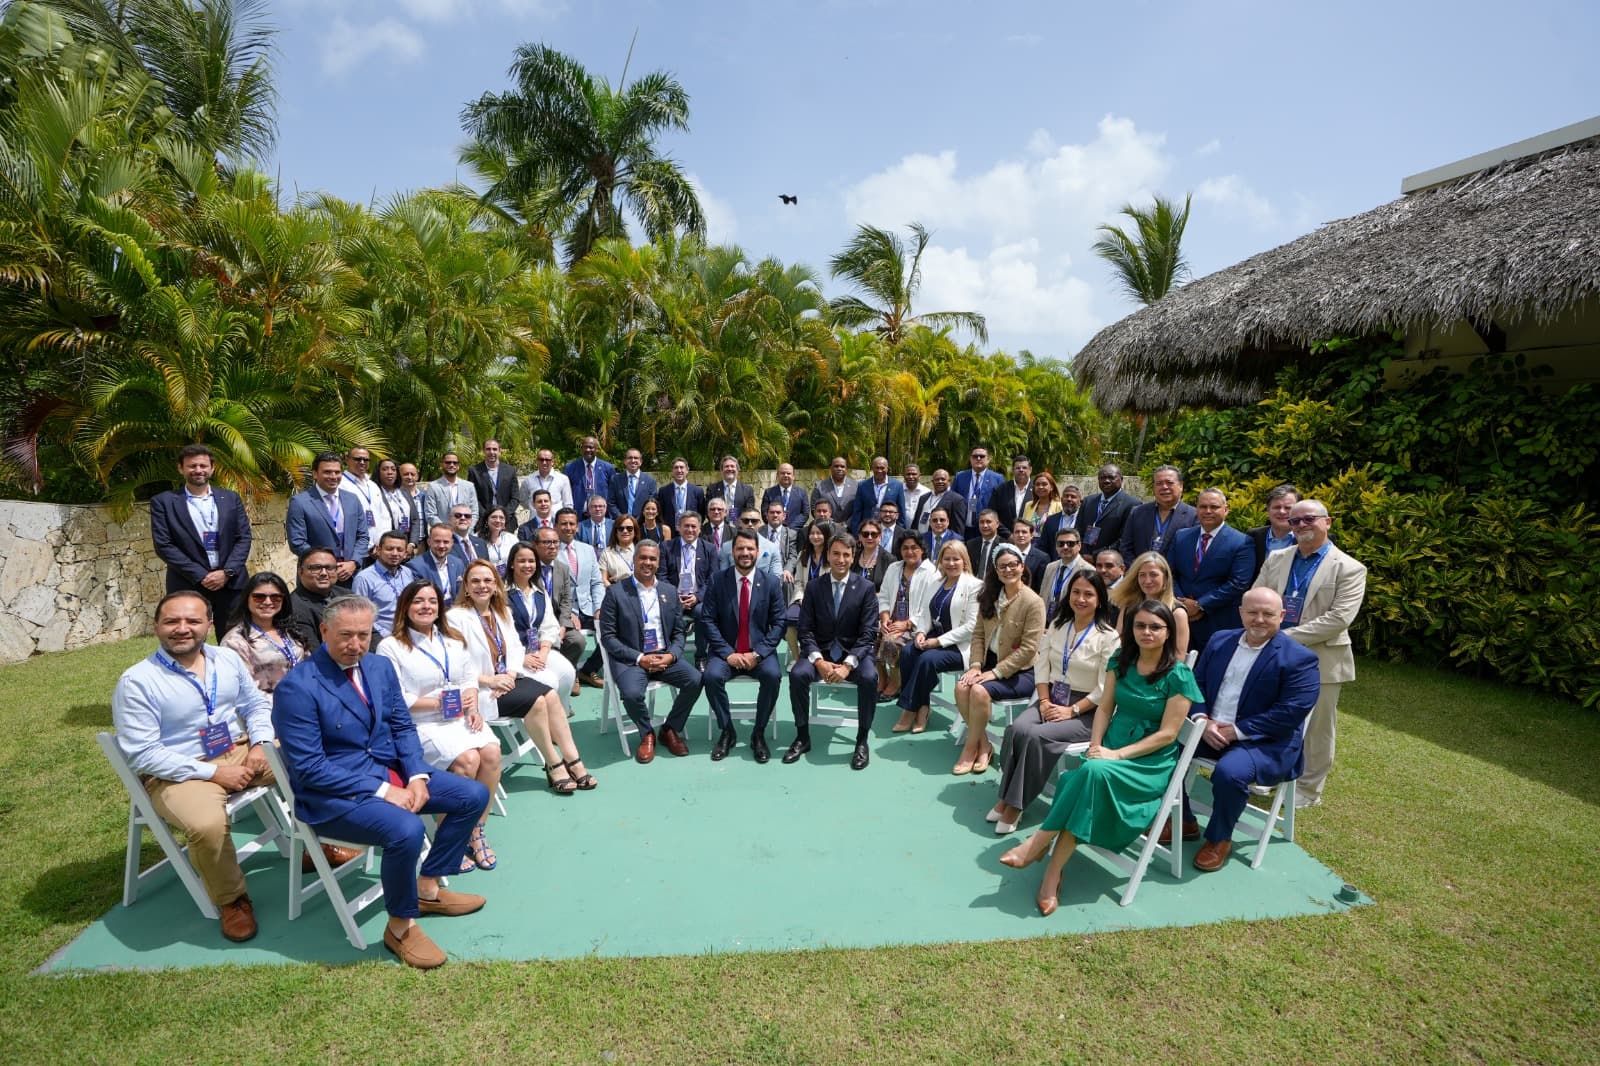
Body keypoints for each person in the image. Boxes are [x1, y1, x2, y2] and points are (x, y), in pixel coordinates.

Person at [272, 595, 488, 969]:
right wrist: (387, 791)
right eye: (345, 636)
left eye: (363, 635)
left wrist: (418, 775)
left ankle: (428, 888)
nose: (355, 645)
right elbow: (309, 769)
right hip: (334, 795)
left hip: (391, 772)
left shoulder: (378, 666)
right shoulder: (298, 687)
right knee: (406, 829)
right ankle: (400, 927)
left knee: (472, 794)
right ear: (324, 631)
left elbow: (401, 725)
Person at [999, 600, 1203, 916]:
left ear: (1168, 632)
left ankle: (1040, 847)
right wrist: (1096, 744)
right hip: (1107, 750)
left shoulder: (1179, 675)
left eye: (1155, 627)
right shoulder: (1122, 659)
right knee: (1089, 777)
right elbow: (1105, 707)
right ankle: (1050, 873)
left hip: (1147, 763)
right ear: (1131, 629)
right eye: (1140, 625)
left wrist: (1115, 754)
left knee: (1086, 776)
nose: (1146, 632)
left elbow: (1167, 735)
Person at [113, 591, 281, 941]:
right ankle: (233, 900)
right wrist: (216, 773)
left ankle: (313, 844)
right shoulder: (138, 681)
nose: (182, 629)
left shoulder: (226, 659)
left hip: (238, 751)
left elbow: (254, 705)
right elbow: (143, 754)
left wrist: (262, 743)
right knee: (206, 825)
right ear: (156, 626)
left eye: (192, 621)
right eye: (172, 621)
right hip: (178, 772)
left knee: (306, 760)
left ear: (209, 624)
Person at [1177, 588, 1321, 870]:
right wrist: (1202, 719)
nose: (1259, 619)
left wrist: (1236, 731)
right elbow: (1196, 684)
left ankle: (1219, 838)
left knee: (1230, 773)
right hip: (1209, 729)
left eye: (1268, 614)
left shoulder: (1300, 659)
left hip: (1265, 741)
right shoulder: (1220, 640)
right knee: (1162, 748)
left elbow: (1289, 713)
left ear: (1282, 616)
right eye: (1252, 612)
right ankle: (1183, 820)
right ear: (1240, 613)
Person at [376, 581, 502, 875]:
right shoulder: (390, 646)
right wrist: (440, 703)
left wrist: (470, 703)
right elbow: (394, 698)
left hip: (458, 716)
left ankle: (476, 829)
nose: (426, 607)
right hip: (420, 723)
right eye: (418, 601)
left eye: (432, 601)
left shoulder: (452, 639)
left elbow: (468, 676)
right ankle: (449, 840)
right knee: (468, 759)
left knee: (493, 752)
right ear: (405, 606)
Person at [1252, 499, 1367, 808]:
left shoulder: (1350, 568)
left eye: (1308, 519)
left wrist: (1283, 637)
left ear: (1327, 522)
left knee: (1317, 728)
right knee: (1273, 716)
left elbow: (1339, 619)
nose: (1301, 525)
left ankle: (1308, 789)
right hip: (1275, 653)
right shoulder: (1277, 558)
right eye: (1294, 521)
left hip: (1322, 658)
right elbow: (1256, 596)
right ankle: (1269, 774)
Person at [988, 570, 1119, 834]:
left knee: (1037, 735)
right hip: (1052, 698)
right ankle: (1007, 795)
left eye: (1088, 594)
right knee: (1017, 729)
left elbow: (1105, 689)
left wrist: (1072, 710)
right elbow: (1042, 666)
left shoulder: (1109, 637)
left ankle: (1016, 804)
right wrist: (1045, 701)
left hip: (1087, 710)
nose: (1081, 599)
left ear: (1100, 600)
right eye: (1076, 592)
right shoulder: (1058, 625)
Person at [449, 560, 592, 795]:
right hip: (482, 689)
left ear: (496, 585)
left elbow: (515, 648)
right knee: (537, 702)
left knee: (552, 695)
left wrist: (510, 674)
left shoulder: (501, 611)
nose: (482, 586)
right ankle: (553, 763)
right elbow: (455, 665)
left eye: (487, 580)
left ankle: (573, 759)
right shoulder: (456, 617)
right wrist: (490, 680)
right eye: (475, 581)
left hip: (508, 677)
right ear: (465, 586)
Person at [598, 541, 704, 763]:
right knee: (632, 694)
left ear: (658, 562)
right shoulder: (616, 593)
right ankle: (647, 733)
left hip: (663, 656)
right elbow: (608, 637)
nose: (647, 563)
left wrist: (672, 655)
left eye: (652, 559)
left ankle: (670, 729)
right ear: (634, 560)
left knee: (695, 679)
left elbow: (678, 633)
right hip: (632, 659)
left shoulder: (668, 591)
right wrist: (639, 658)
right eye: (643, 558)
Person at [785, 530, 879, 770]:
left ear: (853, 556)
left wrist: (848, 665)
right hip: (821, 652)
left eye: (846, 554)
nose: (840, 559)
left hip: (853, 654)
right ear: (828, 555)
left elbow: (868, 634)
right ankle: (802, 735)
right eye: (835, 553)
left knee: (870, 677)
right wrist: (819, 662)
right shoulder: (815, 587)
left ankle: (861, 739)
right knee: (797, 675)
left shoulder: (866, 588)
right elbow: (805, 631)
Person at [952, 543, 1046, 775]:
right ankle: (984, 745)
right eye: (1002, 566)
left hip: (1022, 671)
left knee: (978, 691)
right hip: (989, 664)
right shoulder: (990, 596)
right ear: (995, 569)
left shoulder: (1033, 602)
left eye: (1013, 564)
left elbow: (1028, 649)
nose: (1008, 570)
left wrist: (995, 673)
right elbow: (978, 635)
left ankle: (970, 748)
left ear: (1022, 567)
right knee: (962, 687)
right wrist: (975, 665)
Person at [700, 529, 787, 762]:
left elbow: (780, 622)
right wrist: (728, 654)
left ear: (758, 552)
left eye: (750, 549)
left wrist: (758, 654)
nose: (745, 553)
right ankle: (727, 731)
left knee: (772, 675)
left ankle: (758, 733)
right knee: (710, 677)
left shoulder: (770, 583)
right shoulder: (718, 580)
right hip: (725, 651)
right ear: (732, 551)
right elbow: (707, 619)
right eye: (740, 548)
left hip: (759, 652)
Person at [150, 444, 253, 637]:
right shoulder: (163, 501)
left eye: (203, 466)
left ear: (212, 468)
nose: (198, 470)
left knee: (236, 640)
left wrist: (227, 571)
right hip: (188, 583)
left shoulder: (230, 498)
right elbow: (164, 545)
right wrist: (201, 575)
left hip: (231, 583)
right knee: (189, 640)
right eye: (192, 466)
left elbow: (243, 537)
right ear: (181, 469)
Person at [892, 541, 981, 733]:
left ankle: (911, 709)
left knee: (926, 660)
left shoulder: (975, 586)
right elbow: (925, 614)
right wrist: (922, 632)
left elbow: (971, 626)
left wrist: (938, 641)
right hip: (934, 635)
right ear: (940, 561)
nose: (951, 563)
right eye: (946, 559)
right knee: (908, 652)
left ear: (964, 561)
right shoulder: (937, 582)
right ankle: (922, 706)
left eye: (955, 559)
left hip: (959, 645)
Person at [1165, 488, 1253, 651]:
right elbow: (1169, 573)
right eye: (1203, 507)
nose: (1208, 511)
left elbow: (1238, 583)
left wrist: (1200, 605)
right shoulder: (1181, 536)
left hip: (1218, 621)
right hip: (1180, 616)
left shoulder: (1242, 542)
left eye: (1214, 507)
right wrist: (1182, 603)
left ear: (1226, 510)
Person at [504, 541, 579, 713]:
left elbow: (549, 624)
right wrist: (521, 657)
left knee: (567, 672)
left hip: (538, 650)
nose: (527, 565)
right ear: (512, 564)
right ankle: (544, 724)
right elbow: (501, 633)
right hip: (514, 656)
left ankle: (560, 713)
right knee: (550, 681)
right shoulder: (502, 593)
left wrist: (544, 651)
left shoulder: (539, 591)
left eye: (531, 561)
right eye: (522, 561)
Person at [285, 451, 369, 588]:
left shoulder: (352, 499)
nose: (333, 476)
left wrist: (354, 562)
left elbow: (363, 536)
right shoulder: (300, 502)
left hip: (350, 575)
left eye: (337, 472)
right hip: (317, 577)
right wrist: (327, 565)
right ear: (315, 474)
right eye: (327, 472)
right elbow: (297, 542)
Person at [222, 573, 309, 694]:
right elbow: (243, 690)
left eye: (275, 597)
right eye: (259, 597)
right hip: (267, 707)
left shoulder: (290, 631)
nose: (268, 602)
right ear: (247, 599)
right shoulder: (235, 641)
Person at [875, 531, 937, 703]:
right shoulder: (894, 568)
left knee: (890, 642)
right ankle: (883, 678)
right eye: (905, 548)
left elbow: (929, 606)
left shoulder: (931, 573)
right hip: (892, 621)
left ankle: (896, 683)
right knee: (868, 636)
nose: (909, 552)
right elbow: (884, 596)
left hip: (917, 625)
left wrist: (908, 623)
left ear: (922, 550)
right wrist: (885, 617)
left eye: (914, 548)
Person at [554, 507, 607, 687]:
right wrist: (567, 614)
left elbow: (597, 582)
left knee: (617, 629)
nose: (568, 527)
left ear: (577, 527)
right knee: (577, 641)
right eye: (564, 524)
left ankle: (588, 670)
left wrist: (599, 607)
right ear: (556, 526)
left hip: (589, 608)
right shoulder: (550, 553)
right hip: (564, 611)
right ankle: (571, 673)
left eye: (571, 524)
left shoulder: (587, 550)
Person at [528, 526, 587, 683]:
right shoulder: (529, 567)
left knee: (577, 641)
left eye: (555, 542)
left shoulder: (563, 568)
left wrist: (562, 625)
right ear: (535, 544)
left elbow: (567, 600)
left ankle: (569, 677)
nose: (553, 546)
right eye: (547, 542)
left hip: (558, 621)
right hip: (535, 623)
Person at [1112, 551, 1191, 658]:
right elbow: (1117, 644)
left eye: (1154, 575)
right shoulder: (1128, 607)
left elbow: (1178, 657)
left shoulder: (1177, 613)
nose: (1147, 581)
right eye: (1142, 575)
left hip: (1161, 672)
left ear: (1166, 578)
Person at [1120, 464, 1197, 561]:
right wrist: (1138, 571)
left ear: (1181, 486)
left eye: (1169, 482)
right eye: (1159, 483)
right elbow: (1126, 548)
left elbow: (1193, 554)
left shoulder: (1194, 516)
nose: (1164, 487)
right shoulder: (1137, 513)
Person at [352, 531, 414, 639]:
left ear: (405, 553)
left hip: (410, 634)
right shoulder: (364, 579)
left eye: (400, 550)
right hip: (381, 638)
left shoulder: (407, 572)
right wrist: (387, 636)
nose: (395, 553)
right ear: (379, 550)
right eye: (389, 549)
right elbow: (360, 616)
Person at [1078, 464, 1136, 562]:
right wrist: (1082, 553)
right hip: (1083, 560)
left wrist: (1096, 556)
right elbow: (1078, 530)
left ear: (1121, 479)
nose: (1106, 481)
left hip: (1110, 562)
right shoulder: (1088, 501)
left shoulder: (1132, 504)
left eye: (1111, 477)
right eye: (1102, 478)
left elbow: (1125, 539)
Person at [1247, 483, 1301, 581]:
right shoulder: (1254, 536)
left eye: (1288, 508)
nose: (1282, 512)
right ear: (1268, 511)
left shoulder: (1312, 537)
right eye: (1276, 507)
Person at [288, 548, 340, 649]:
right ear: (300, 571)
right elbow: (313, 649)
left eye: (329, 568)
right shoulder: (294, 607)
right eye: (316, 568)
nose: (324, 573)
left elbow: (371, 633)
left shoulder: (347, 595)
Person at [408, 523, 466, 608]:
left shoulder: (458, 563)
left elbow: (460, 593)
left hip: (455, 611)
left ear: (452, 543)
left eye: (446, 542)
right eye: (437, 541)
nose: (441, 546)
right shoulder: (415, 566)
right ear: (429, 542)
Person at [1040, 528, 1093, 616]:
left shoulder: (1088, 570)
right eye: (1060, 544)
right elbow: (1043, 594)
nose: (1065, 547)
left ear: (1079, 545)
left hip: (1071, 622)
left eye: (1070, 544)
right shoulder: (1050, 567)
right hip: (1046, 620)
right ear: (1056, 547)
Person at [341, 446, 387, 545]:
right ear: (347, 460)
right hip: (356, 547)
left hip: (378, 547)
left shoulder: (372, 485)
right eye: (358, 459)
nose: (362, 462)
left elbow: (383, 515)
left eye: (366, 459)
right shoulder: (340, 484)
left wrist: (382, 543)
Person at [467, 439, 518, 527]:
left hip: (506, 521)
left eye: (494, 449)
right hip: (482, 521)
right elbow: (472, 498)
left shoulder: (510, 470)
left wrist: (503, 515)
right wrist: (486, 516)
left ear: (499, 451)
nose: (491, 452)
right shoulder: (474, 471)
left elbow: (515, 498)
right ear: (483, 451)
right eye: (488, 449)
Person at [422, 453, 478, 531]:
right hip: (443, 536)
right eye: (448, 462)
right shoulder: (433, 486)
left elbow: (474, 513)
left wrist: (467, 530)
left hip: (465, 534)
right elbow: (430, 514)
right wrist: (445, 531)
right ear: (441, 465)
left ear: (458, 465)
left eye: (455, 463)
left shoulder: (469, 486)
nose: (452, 465)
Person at [851, 456, 905, 534]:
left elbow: (901, 510)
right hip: (868, 530)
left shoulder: (897, 485)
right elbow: (857, 511)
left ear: (887, 469)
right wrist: (856, 534)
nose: (879, 471)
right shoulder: (862, 485)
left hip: (888, 529)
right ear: (872, 468)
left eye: (882, 468)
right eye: (877, 468)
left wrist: (901, 533)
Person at [565, 435, 615, 518]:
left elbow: (613, 493)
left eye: (591, 447)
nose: (588, 450)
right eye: (585, 447)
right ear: (582, 449)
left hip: (602, 515)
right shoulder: (570, 467)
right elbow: (566, 492)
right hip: (578, 515)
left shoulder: (608, 468)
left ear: (597, 449)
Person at [952, 447, 1005, 522]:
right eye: (975, 456)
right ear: (970, 459)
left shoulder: (998, 478)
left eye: (982, 456)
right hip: (962, 526)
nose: (978, 458)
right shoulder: (960, 476)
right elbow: (952, 499)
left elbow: (1002, 505)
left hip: (986, 526)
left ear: (988, 459)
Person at [374, 459, 417, 550]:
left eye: (393, 469)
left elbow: (415, 520)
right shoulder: (374, 493)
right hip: (385, 547)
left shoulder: (404, 492)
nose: (390, 472)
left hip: (405, 546)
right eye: (385, 469)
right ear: (378, 472)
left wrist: (412, 543)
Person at [517, 447, 573, 516]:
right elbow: (522, 500)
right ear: (537, 461)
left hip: (556, 523)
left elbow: (568, 503)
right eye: (541, 460)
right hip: (535, 523)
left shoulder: (563, 479)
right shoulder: (528, 480)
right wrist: (535, 508)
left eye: (547, 460)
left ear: (552, 462)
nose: (544, 462)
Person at [606, 447, 658, 519]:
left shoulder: (650, 481)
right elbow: (611, 503)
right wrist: (622, 519)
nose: (633, 460)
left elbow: (651, 505)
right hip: (621, 524)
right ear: (625, 461)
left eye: (636, 458)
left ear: (641, 462)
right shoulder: (615, 480)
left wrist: (638, 520)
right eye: (630, 458)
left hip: (642, 524)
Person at [656, 456, 706, 532]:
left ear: (687, 470)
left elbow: (701, 513)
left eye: (681, 467)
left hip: (690, 532)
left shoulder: (697, 491)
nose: (679, 470)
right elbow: (660, 513)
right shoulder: (664, 491)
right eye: (676, 468)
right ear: (672, 471)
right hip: (670, 533)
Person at [914, 468, 968, 536]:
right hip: (920, 540)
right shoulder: (923, 498)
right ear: (932, 481)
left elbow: (958, 529)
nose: (940, 481)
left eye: (943, 479)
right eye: (937, 479)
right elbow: (915, 522)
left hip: (940, 543)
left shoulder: (957, 500)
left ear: (949, 481)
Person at [992, 454, 1034, 535]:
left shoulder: (1037, 490)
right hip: (1005, 539)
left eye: (1024, 468)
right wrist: (1008, 535)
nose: (1021, 470)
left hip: (1030, 539)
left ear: (1030, 470)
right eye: (1018, 468)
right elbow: (993, 515)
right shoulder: (1000, 489)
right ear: (1013, 470)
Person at [761, 462, 809, 529]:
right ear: (777, 476)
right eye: (782, 473)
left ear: (793, 476)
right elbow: (765, 513)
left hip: (795, 532)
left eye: (788, 473)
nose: (786, 475)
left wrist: (790, 528)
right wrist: (780, 527)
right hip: (775, 531)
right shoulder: (769, 492)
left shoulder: (802, 493)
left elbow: (805, 514)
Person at [1008, 517, 1051, 592]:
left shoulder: (1042, 558)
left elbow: (1041, 586)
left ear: (1031, 535)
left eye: (1024, 532)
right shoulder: (1005, 554)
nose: (1020, 535)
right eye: (1017, 532)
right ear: (1013, 535)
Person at [812, 456, 858, 522]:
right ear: (830, 468)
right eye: (836, 466)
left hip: (849, 529)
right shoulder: (819, 486)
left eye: (842, 466)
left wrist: (846, 524)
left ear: (846, 469)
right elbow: (814, 509)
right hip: (826, 528)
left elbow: (858, 509)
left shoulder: (856, 486)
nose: (839, 469)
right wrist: (831, 524)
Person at [1025, 471, 1066, 545]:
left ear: (1052, 487)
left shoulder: (1059, 506)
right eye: (1037, 484)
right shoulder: (1028, 505)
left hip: (1050, 545)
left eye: (1044, 484)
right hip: (1029, 545)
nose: (1040, 487)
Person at [598, 514, 641, 584]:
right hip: (616, 590)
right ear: (616, 532)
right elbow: (603, 579)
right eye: (621, 529)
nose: (625, 531)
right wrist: (615, 592)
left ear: (635, 531)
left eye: (629, 528)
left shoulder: (642, 550)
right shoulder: (607, 553)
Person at [964, 509, 1005, 581]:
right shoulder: (970, 544)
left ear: (997, 524)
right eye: (981, 522)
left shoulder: (1004, 546)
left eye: (988, 522)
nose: (985, 525)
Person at [396, 463, 428, 553]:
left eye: (412, 474)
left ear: (417, 476)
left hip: (422, 544)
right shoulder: (394, 496)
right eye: (405, 474)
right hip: (401, 545)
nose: (409, 477)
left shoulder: (425, 496)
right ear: (399, 476)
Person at [446, 503, 489, 567]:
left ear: (471, 520)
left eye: (467, 516)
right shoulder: (445, 544)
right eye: (458, 515)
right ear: (450, 519)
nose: (463, 518)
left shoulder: (480, 542)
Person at [853, 519, 892, 589]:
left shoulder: (889, 560)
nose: (869, 537)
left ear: (880, 537)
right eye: (865, 534)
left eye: (874, 534)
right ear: (860, 537)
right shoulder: (853, 556)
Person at [478, 507, 517, 577]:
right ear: (487, 520)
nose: (498, 520)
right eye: (494, 517)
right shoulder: (477, 540)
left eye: (501, 518)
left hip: (509, 580)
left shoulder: (512, 538)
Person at [901, 463, 930, 534]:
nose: (911, 476)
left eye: (914, 474)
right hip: (901, 530)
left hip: (920, 532)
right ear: (904, 476)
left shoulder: (927, 492)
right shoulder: (898, 490)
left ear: (919, 476)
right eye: (908, 474)